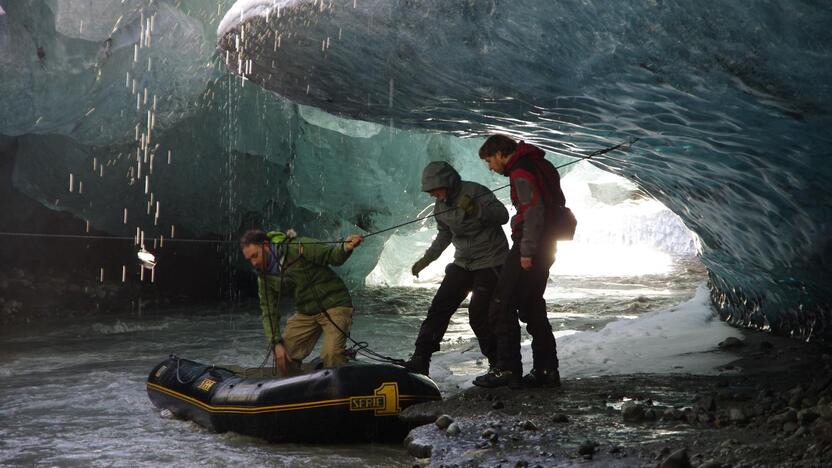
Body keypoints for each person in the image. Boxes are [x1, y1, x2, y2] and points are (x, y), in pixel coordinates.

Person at [473, 134, 566, 388]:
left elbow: (534, 211)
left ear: (501, 153)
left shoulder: (520, 171)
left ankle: (507, 369)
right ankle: (547, 370)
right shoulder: (540, 164)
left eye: (490, 160)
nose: (491, 167)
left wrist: (526, 251)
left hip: (531, 243)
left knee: (501, 303)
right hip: (547, 243)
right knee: (532, 305)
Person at [402, 161, 509, 376]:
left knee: (479, 314)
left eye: (436, 190)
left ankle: (499, 364)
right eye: (431, 192)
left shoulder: (476, 191)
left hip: (491, 261)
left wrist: (475, 208)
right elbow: (445, 234)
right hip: (463, 262)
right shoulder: (440, 207)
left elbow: (502, 216)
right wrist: (427, 259)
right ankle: (420, 359)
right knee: (439, 307)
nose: (434, 195)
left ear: (448, 183)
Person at [240, 229, 364, 374]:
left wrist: (346, 247)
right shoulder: (263, 277)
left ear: (266, 245)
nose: (254, 263)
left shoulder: (297, 247)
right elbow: (269, 311)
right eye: (250, 259)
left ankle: (341, 387)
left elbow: (332, 256)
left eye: (255, 255)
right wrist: (276, 343)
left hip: (335, 304)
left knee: (332, 355)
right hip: (306, 311)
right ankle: (297, 390)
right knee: (284, 356)